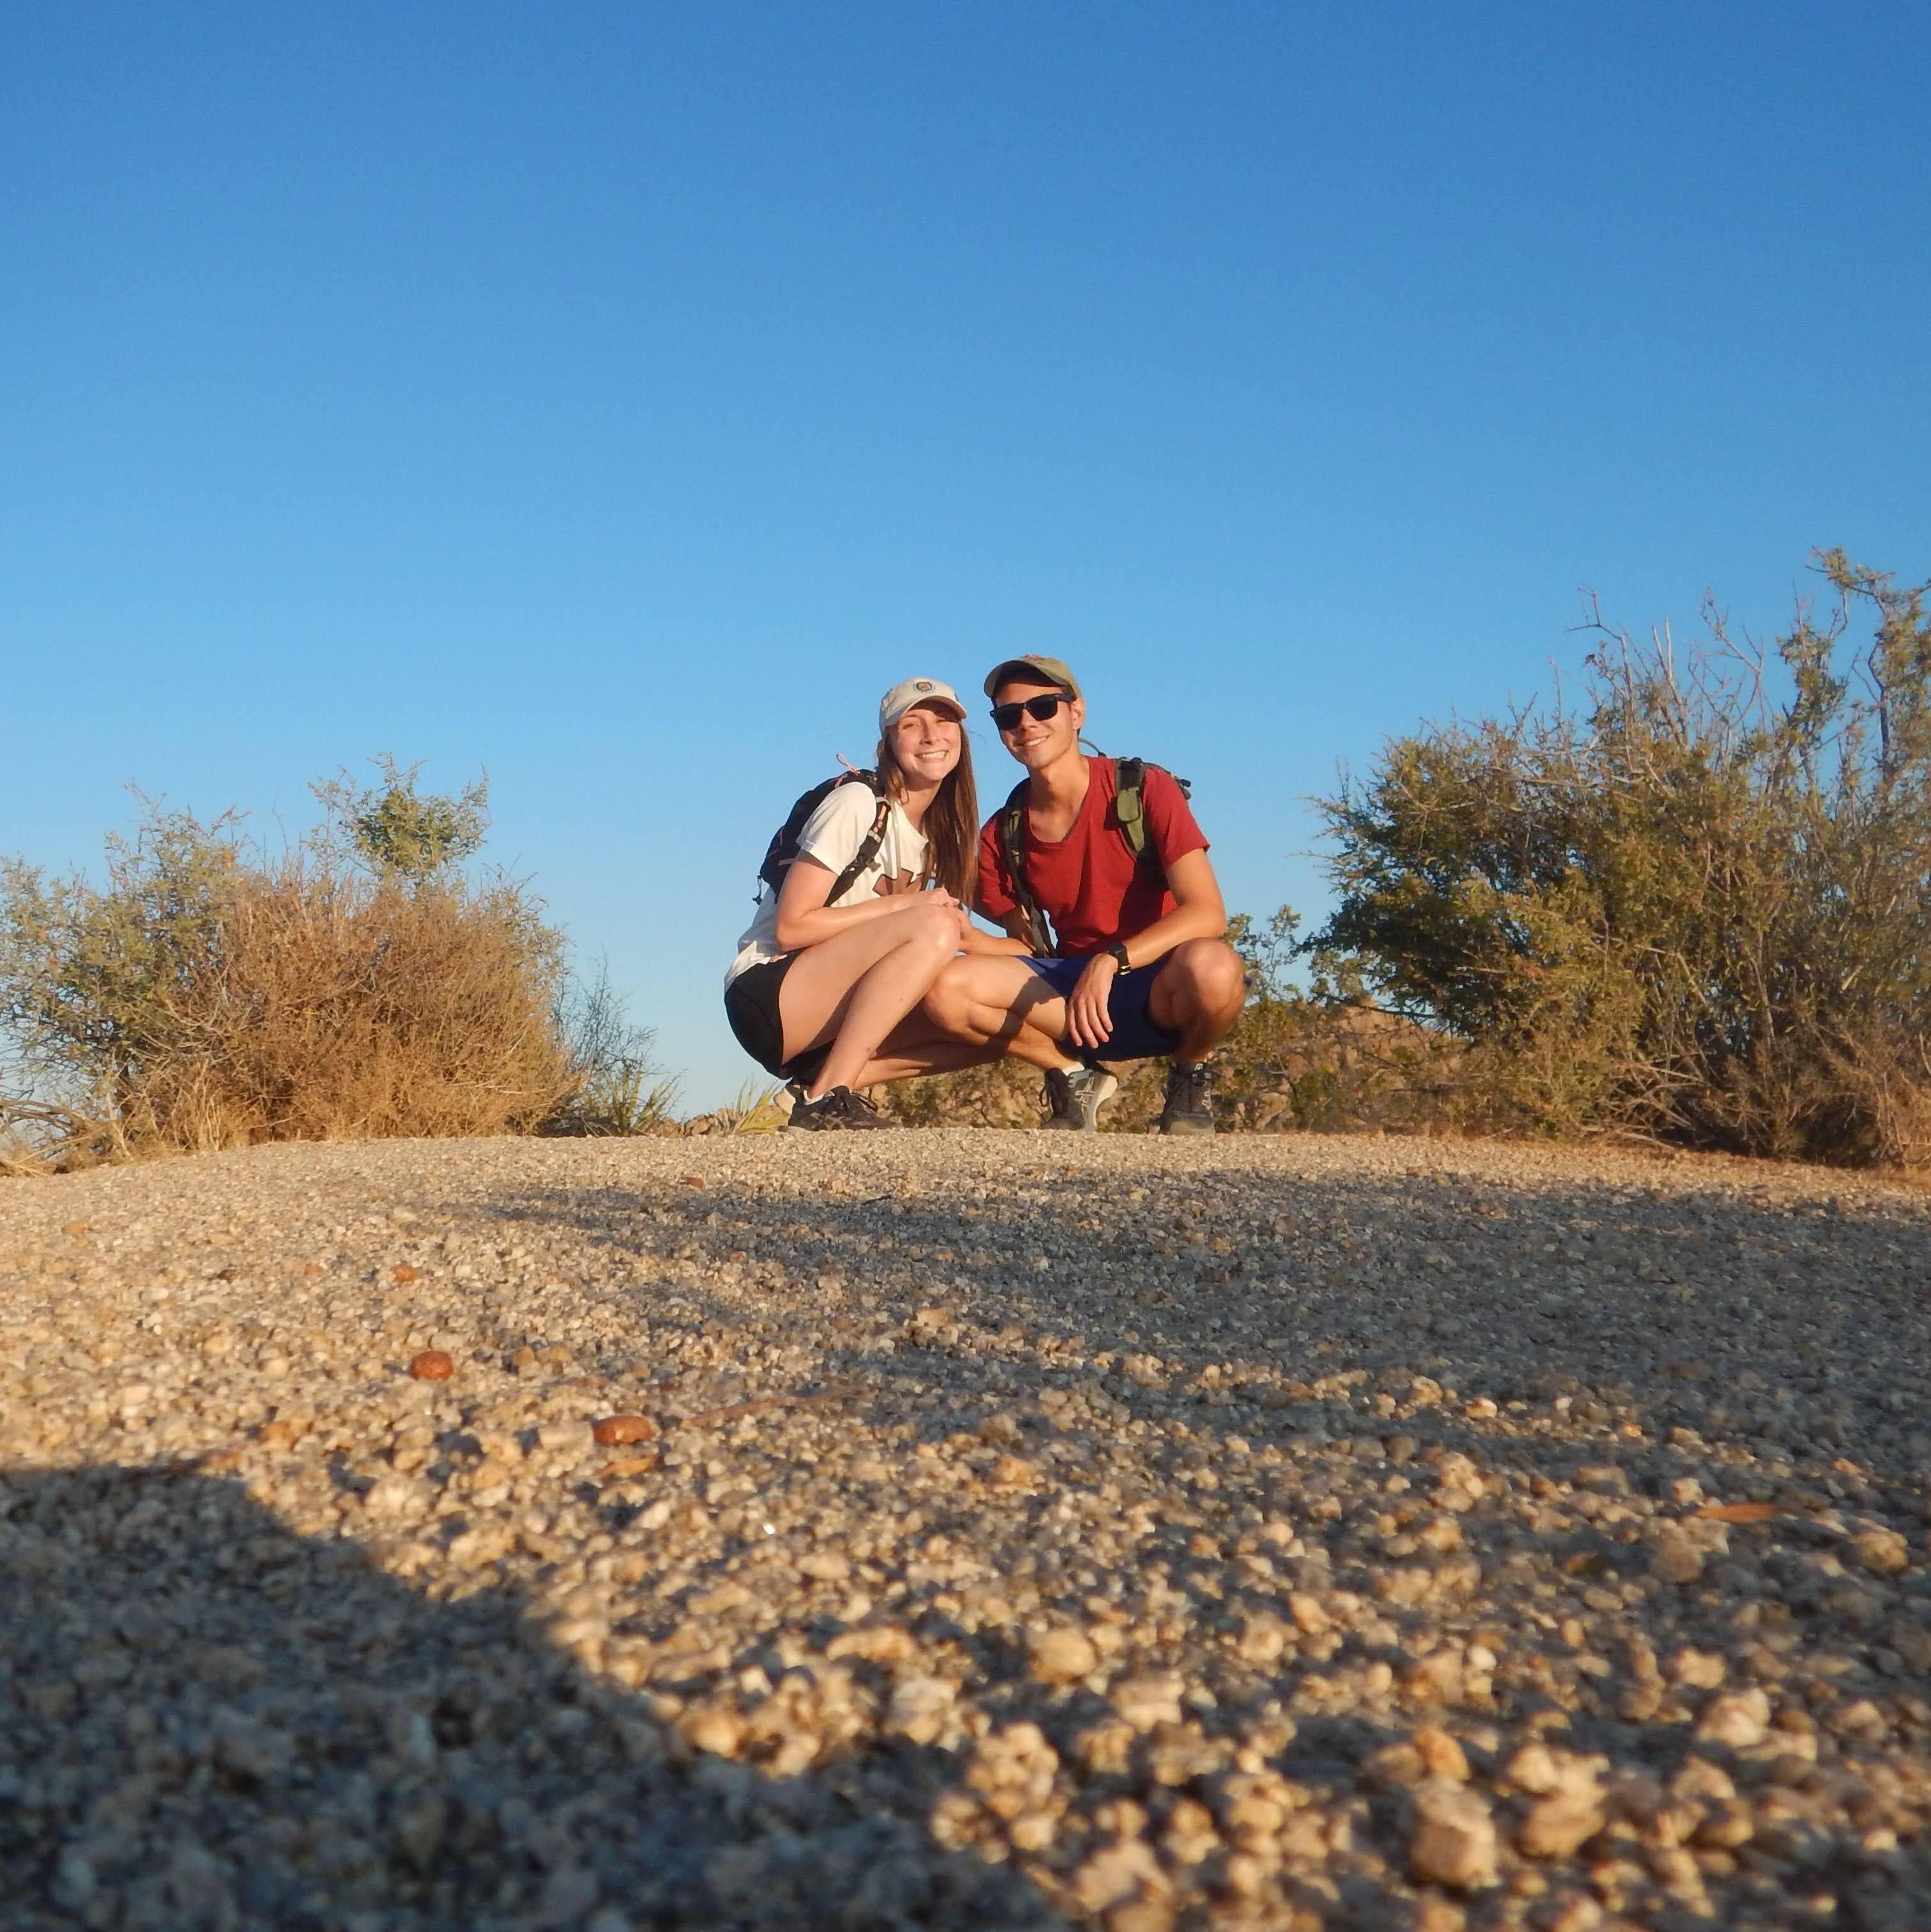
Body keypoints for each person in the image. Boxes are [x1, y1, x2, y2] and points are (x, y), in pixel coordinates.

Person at [919, 654, 1246, 1133]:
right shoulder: (1004, 830)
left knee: (1215, 966)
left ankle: (1189, 1072)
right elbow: (1021, 942)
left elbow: (1207, 912)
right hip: (1071, 1000)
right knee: (945, 989)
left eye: (1043, 707)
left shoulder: (1143, 789)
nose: (1026, 723)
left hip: (1159, 985)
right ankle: (1071, 1074)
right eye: (1009, 716)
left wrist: (1112, 958)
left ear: (1076, 713)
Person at [723, 678, 997, 1129]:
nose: (932, 734)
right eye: (912, 723)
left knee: (994, 1025)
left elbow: (969, 936)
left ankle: (817, 1084)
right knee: (934, 927)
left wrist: (1059, 962)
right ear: (886, 744)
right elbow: (792, 927)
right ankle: (827, 1098)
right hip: (770, 991)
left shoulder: (937, 837)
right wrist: (903, 909)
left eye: (944, 720)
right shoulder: (858, 802)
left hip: (826, 1015)